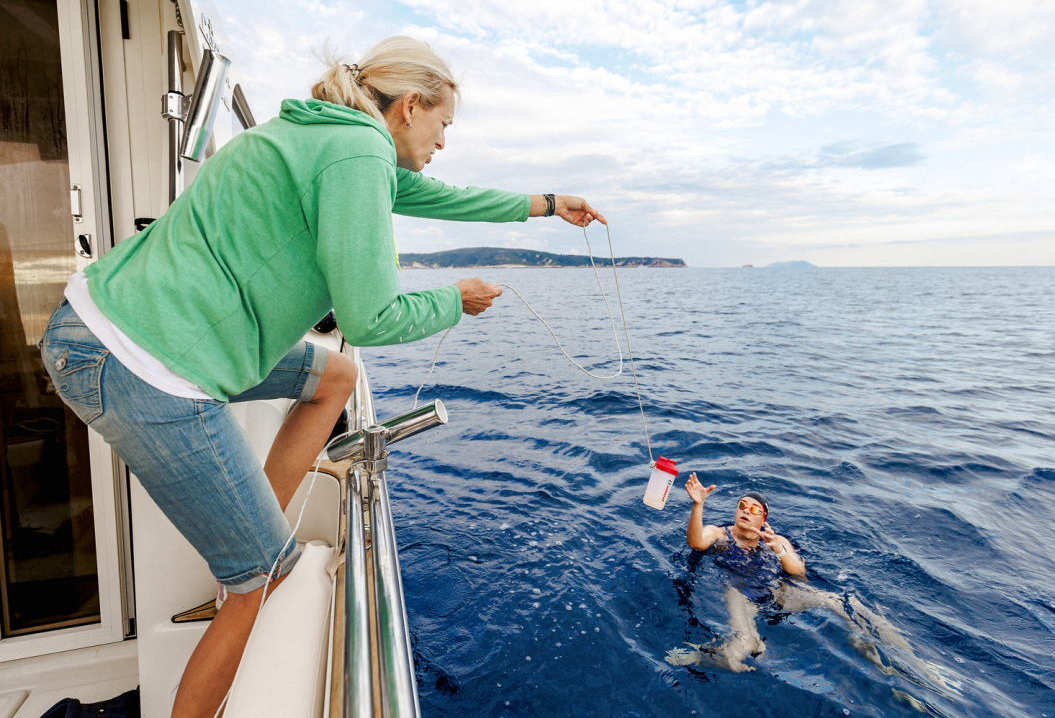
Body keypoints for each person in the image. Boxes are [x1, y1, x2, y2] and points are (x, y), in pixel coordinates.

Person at [38, 36, 604, 718]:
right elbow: (369, 318)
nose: (445, 142)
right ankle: (248, 573)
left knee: (332, 377)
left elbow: (440, 197)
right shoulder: (358, 151)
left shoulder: (331, 136)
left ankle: (252, 538)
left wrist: (546, 204)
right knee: (263, 578)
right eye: (444, 125)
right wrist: (454, 299)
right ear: (411, 107)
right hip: (144, 362)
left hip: (126, 330)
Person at [668, 474, 959, 695]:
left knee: (845, 603)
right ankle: (700, 655)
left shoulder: (775, 540)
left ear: (764, 517)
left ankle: (910, 659)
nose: (745, 509)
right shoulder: (720, 534)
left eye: (754, 508)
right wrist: (698, 505)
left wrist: (778, 550)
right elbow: (695, 541)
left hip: (776, 591)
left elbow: (799, 574)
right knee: (742, 650)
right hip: (739, 592)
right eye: (742, 505)